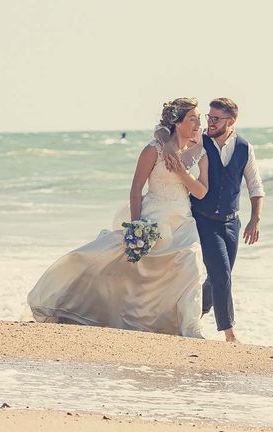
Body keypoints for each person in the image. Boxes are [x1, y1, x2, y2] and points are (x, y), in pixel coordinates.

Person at [26, 98, 209, 338]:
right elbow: (136, 188)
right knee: (136, 272)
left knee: (191, 264)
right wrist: (136, 226)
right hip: (153, 217)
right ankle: (91, 308)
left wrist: (181, 171)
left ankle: (189, 328)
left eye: (199, 118)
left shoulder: (200, 152)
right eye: (192, 118)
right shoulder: (153, 150)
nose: (198, 123)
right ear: (177, 123)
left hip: (183, 221)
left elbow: (201, 191)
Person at [155, 98, 264, 342]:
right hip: (204, 220)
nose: (209, 122)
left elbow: (255, 186)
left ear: (231, 122)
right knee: (222, 275)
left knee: (216, 278)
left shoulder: (245, 148)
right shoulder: (198, 139)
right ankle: (230, 334)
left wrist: (255, 219)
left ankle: (194, 316)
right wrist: (167, 145)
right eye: (208, 117)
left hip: (231, 223)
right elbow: (162, 130)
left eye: (216, 119)